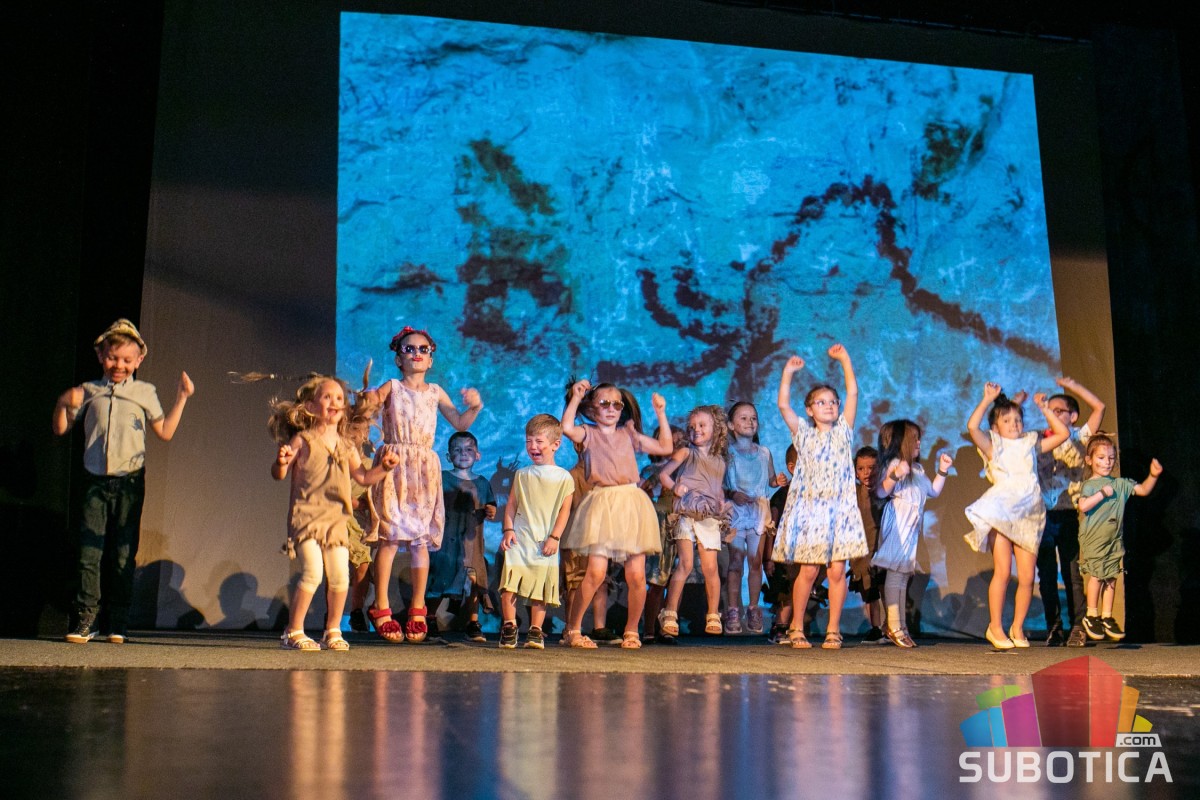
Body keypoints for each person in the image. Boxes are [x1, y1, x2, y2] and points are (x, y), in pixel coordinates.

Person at [53, 319, 194, 644]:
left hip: (129, 482)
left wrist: (182, 397)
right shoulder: (88, 391)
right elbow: (61, 429)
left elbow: (165, 432)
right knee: (89, 552)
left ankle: (118, 621)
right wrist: (62, 403)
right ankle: (87, 619)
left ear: (139, 360)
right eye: (113, 358)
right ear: (101, 356)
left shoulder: (144, 392)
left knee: (122, 553)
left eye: (127, 360)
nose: (119, 365)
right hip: (94, 482)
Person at [364, 326, 483, 643]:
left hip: (423, 470)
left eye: (423, 349)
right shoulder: (392, 387)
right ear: (398, 358)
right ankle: (381, 606)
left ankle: (418, 608)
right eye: (409, 349)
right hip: (394, 464)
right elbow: (368, 408)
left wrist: (474, 407)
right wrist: (367, 400)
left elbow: (459, 422)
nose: (416, 353)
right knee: (390, 537)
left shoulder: (435, 392)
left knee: (419, 541)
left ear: (430, 359)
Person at [270, 376, 399, 651]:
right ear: (310, 406)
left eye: (339, 398)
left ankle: (333, 630)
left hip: (336, 521)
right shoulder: (303, 439)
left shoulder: (346, 445)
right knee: (313, 573)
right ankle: (293, 631)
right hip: (307, 519)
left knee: (340, 576)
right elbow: (279, 474)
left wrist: (384, 468)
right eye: (327, 397)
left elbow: (363, 477)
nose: (334, 402)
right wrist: (281, 462)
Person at [559, 379, 674, 648]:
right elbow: (566, 428)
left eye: (617, 404)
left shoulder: (628, 434)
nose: (611, 409)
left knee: (636, 575)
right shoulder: (588, 433)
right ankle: (573, 630)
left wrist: (661, 413)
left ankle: (631, 631)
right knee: (595, 573)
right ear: (592, 409)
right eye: (604, 403)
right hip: (603, 502)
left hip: (630, 502)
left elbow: (665, 447)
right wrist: (576, 397)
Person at [773, 344, 868, 650]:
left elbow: (853, 392)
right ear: (810, 410)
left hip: (840, 512)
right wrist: (788, 372)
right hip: (812, 511)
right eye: (821, 402)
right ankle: (796, 626)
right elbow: (783, 405)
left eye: (832, 402)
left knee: (837, 570)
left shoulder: (843, 431)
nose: (828, 406)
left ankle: (833, 629)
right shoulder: (803, 433)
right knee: (810, 570)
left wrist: (845, 359)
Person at [964, 383, 1069, 649]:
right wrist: (987, 399)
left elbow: (1063, 433)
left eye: (1018, 419)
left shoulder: (1030, 443)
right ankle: (995, 627)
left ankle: (1017, 627)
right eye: (1007, 420)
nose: (1014, 424)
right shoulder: (994, 446)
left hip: (1030, 513)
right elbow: (973, 427)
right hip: (1002, 511)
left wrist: (1045, 408)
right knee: (1002, 571)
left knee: (1027, 577)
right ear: (996, 427)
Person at [1034, 377, 1105, 647]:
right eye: (1048, 410)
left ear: (1072, 416)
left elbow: (1099, 407)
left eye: (1058, 410)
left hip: (1067, 514)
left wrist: (1073, 386)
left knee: (1072, 573)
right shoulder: (1037, 439)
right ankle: (1053, 627)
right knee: (1046, 575)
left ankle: (1078, 626)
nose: (1051, 414)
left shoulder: (1079, 437)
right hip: (1041, 515)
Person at [871, 420, 953, 648]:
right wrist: (896, 474)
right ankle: (893, 625)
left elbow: (933, 491)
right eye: (914, 438)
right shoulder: (894, 464)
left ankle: (900, 625)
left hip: (912, 526)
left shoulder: (917, 469)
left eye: (919, 438)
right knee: (895, 573)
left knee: (903, 575)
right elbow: (881, 491)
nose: (918, 443)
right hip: (898, 523)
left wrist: (943, 470)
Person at [497, 415, 574, 649]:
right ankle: (509, 626)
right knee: (510, 583)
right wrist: (508, 529)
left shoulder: (564, 477)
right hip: (520, 538)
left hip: (544, 541)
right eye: (529, 441)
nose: (533, 447)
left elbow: (564, 511)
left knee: (540, 587)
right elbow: (512, 505)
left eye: (539, 441)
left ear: (555, 444)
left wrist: (555, 537)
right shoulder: (522, 474)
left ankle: (535, 630)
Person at [1077, 435, 1162, 641]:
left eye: (1111, 458)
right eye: (1101, 458)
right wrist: (1101, 494)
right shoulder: (1090, 485)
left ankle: (1107, 616)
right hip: (1095, 538)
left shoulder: (1120, 484)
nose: (1107, 462)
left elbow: (1143, 490)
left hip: (1114, 539)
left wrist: (1153, 475)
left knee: (1112, 576)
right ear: (1089, 460)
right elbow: (1083, 505)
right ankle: (1091, 614)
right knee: (1097, 575)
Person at [658, 406, 731, 637]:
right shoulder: (686, 453)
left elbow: (717, 488)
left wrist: (721, 503)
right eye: (692, 426)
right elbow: (663, 475)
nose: (696, 430)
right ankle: (670, 612)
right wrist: (675, 487)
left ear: (716, 429)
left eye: (701, 425)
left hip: (708, 516)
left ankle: (713, 614)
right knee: (686, 563)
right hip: (686, 512)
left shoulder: (720, 460)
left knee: (711, 567)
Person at [722, 402, 787, 634]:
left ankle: (753, 607)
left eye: (753, 418)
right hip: (737, 512)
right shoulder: (727, 454)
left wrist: (777, 481)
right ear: (731, 425)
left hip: (758, 511)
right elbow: (720, 484)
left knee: (756, 561)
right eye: (743, 418)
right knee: (736, 562)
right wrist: (732, 494)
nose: (750, 422)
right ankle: (733, 610)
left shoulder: (764, 452)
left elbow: (769, 479)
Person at [434, 431, 498, 642]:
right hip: (445, 540)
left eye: (469, 449)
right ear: (448, 455)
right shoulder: (442, 478)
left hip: (471, 542)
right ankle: (430, 618)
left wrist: (490, 510)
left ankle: (473, 621)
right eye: (457, 450)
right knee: (439, 578)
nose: (463, 454)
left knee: (474, 579)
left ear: (478, 455)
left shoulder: (482, 482)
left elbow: (491, 507)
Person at [848, 446, 884, 641]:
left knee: (885, 587)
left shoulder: (884, 490)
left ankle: (892, 625)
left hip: (882, 547)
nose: (866, 473)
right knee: (869, 591)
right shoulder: (853, 492)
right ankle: (875, 627)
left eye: (871, 468)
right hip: (861, 550)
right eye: (861, 469)